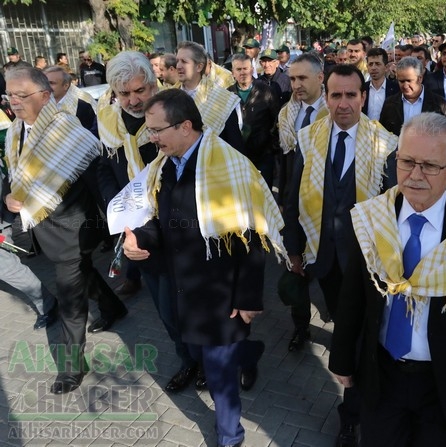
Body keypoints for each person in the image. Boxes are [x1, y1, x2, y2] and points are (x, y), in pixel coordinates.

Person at [329, 112, 446, 447]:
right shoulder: (373, 219)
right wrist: (342, 357)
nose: (415, 175)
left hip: (444, 384)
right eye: (406, 162)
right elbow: (353, 297)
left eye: (429, 165)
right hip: (382, 375)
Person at [124, 88, 286, 447]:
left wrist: (247, 298)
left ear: (184, 126)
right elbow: (158, 222)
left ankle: (230, 435)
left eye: (156, 130)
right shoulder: (162, 166)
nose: (150, 138)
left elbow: (254, 237)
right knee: (200, 351)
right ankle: (249, 351)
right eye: (148, 130)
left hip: (220, 291)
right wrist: (140, 239)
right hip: (182, 284)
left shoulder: (230, 166)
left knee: (218, 372)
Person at [282, 63, 398, 447]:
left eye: (351, 95)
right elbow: (292, 197)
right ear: (326, 97)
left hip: (369, 264)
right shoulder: (307, 138)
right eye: (336, 95)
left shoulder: (385, 144)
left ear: (363, 97)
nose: (343, 103)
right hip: (325, 259)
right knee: (345, 332)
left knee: (363, 338)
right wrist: (294, 249)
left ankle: (352, 416)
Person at [2, 67, 115, 394]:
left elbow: (97, 179)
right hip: (38, 228)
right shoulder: (13, 132)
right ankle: (113, 308)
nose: (15, 102)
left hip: (72, 230)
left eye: (23, 95)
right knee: (85, 275)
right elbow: (15, 178)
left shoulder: (68, 129)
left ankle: (71, 366)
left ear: (45, 95)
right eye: (11, 94)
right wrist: (8, 197)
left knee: (69, 297)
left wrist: (113, 228)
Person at [97, 50, 204, 392]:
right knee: (166, 312)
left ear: (154, 82)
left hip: (181, 229)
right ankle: (189, 361)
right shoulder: (109, 121)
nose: (133, 99)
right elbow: (105, 171)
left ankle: (215, 361)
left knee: (196, 305)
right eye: (124, 93)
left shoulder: (173, 114)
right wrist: (122, 221)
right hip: (138, 234)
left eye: (140, 90)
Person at [175, 41, 244, 152]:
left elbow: (235, 145)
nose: (178, 66)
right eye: (177, 61)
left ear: (199, 66)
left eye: (184, 62)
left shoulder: (222, 99)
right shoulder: (169, 98)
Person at [277, 53, 328, 205]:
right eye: (292, 79)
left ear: (320, 78)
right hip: (294, 198)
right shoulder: (285, 114)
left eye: (302, 78)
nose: (296, 85)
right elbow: (284, 161)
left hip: (324, 198)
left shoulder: (335, 113)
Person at [228, 53, 280, 188]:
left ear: (252, 70)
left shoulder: (266, 91)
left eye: (245, 68)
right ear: (233, 73)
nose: (242, 73)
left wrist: (272, 149)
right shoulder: (227, 95)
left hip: (263, 155)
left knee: (264, 194)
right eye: (238, 69)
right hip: (239, 157)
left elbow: (277, 121)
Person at [379, 56, 446, 136]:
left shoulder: (439, 104)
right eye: (401, 81)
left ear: (420, 78)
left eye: (409, 81)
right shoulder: (390, 104)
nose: (405, 85)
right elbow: (383, 135)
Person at [362, 48, 399, 121]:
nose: (373, 68)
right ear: (367, 67)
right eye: (370, 64)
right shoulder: (362, 88)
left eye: (378, 64)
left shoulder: (396, 89)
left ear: (386, 67)